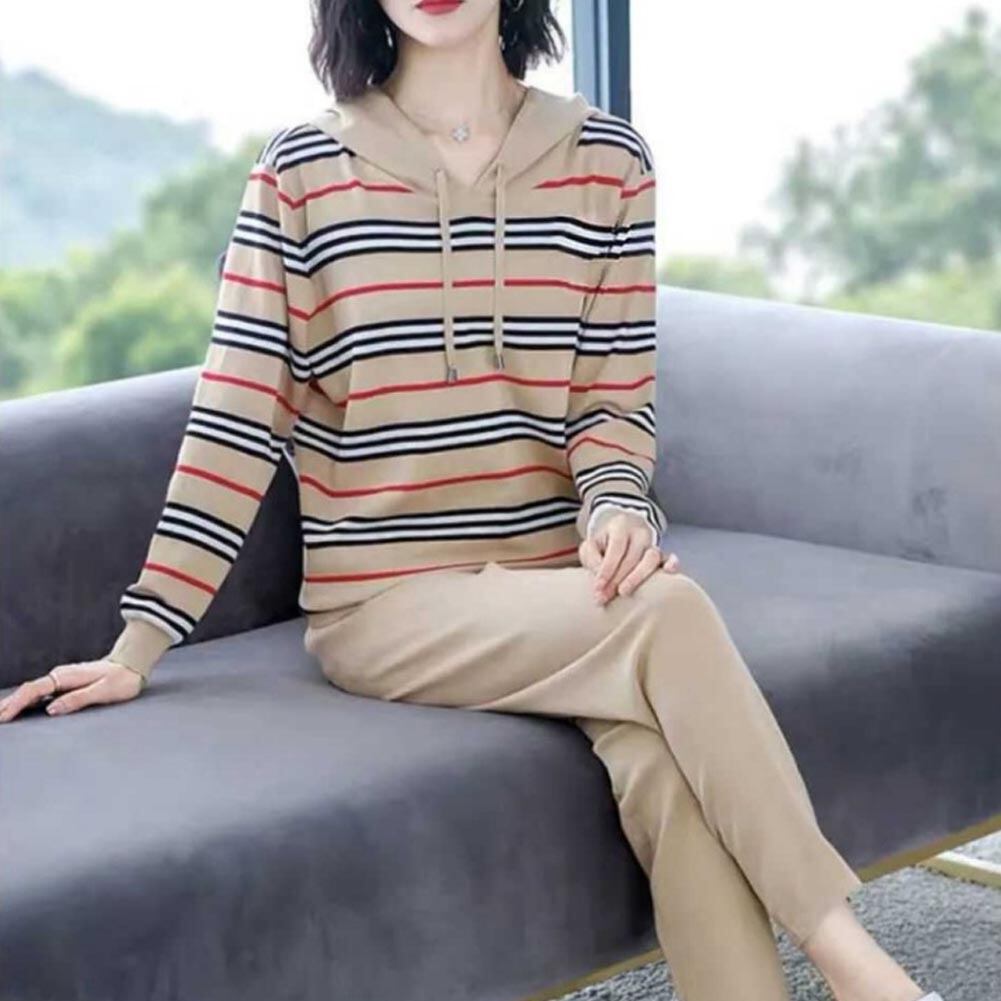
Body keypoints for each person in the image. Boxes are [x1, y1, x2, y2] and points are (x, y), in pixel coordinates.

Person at [0, 2, 945, 1000]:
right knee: (665, 610)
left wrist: (615, 508)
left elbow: (609, 401)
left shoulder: (606, 162)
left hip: (560, 589)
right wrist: (141, 640)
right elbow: (236, 420)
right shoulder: (303, 175)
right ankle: (859, 969)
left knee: (666, 766)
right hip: (386, 602)